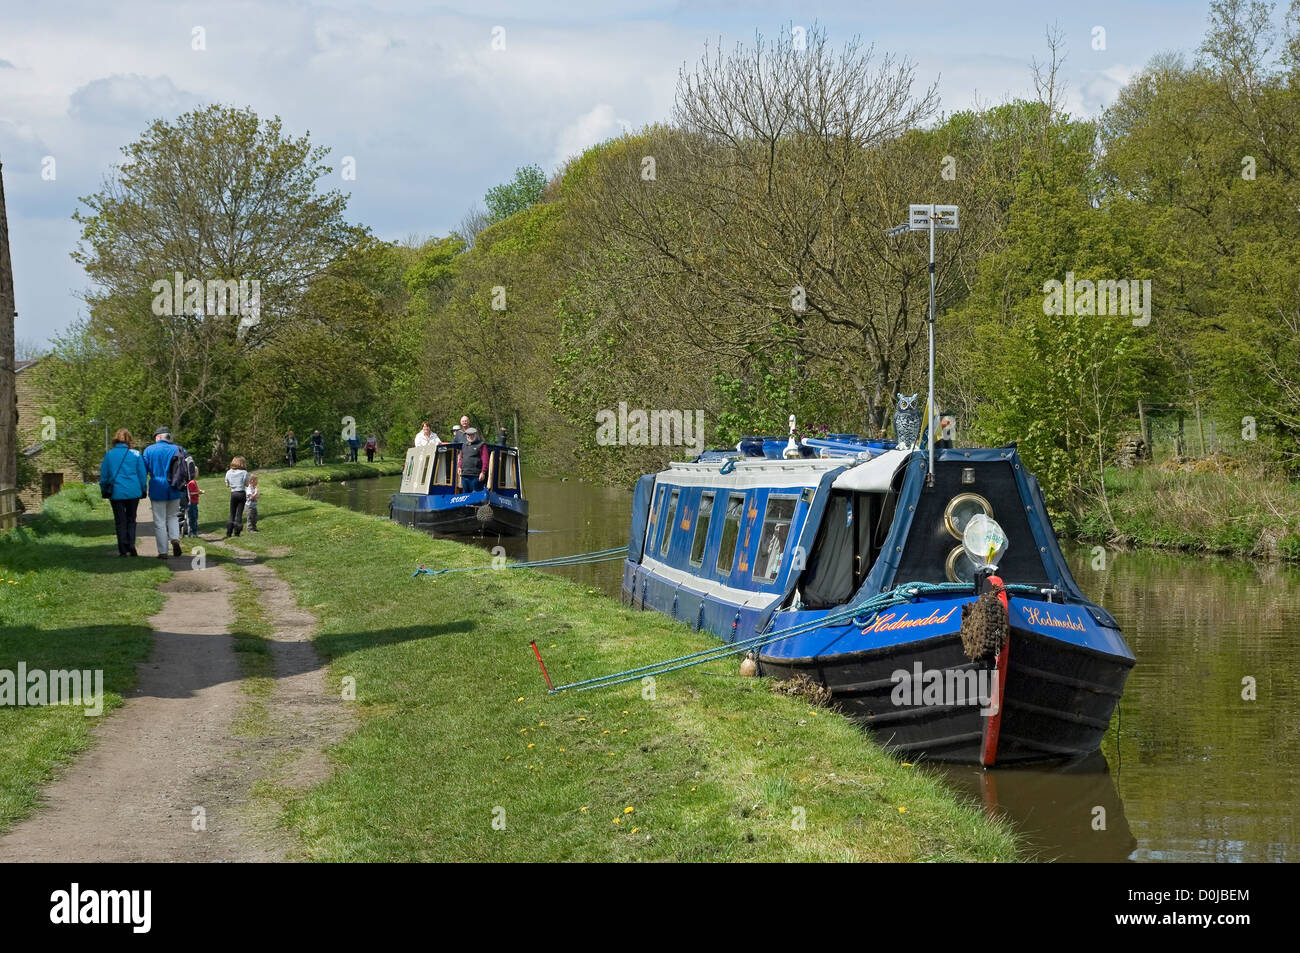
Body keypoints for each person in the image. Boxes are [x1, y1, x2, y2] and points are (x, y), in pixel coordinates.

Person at [98, 428, 148, 557]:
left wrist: (104, 488)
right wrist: (143, 489)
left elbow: (104, 475)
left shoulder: (109, 455)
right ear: (129, 440)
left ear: (115, 440)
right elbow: (142, 474)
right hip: (133, 491)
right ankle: (131, 543)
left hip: (116, 492)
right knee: (131, 519)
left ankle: (122, 548)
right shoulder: (136, 454)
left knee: (120, 520)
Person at [142, 427, 186, 559]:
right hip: (175, 486)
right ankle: (175, 539)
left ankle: (163, 552)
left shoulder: (149, 450)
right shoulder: (178, 449)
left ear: (158, 437)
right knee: (173, 516)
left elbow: (144, 470)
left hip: (157, 487)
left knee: (159, 521)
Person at [225, 456, 250, 538]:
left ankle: (229, 532)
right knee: (239, 514)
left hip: (233, 493)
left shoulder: (228, 472)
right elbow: (247, 484)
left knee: (232, 513)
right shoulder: (244, 473)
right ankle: (237, 532)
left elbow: (227, 485)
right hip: (241, 494)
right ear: (243, 463)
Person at [459, 426, 488, 493]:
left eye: (472, 434)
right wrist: (459, 467)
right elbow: (461, 458)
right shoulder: (464, 445)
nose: (470, 436)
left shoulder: (481, 445)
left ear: (475, 435)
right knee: (465, 495)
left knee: (475, 496)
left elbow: (485, 460)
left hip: (476, 475)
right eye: (468, 434)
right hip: (464, 475)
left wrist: (483, 472)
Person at [185, 467, 204, 538]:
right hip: (191, 502)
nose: (198, 473)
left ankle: (194, 532)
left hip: (194, 502)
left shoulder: (192, 481)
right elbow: (190, 493)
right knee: (193, 517)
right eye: (197, 472)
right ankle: (193, 533)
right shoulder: (191, 482)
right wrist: (199, 492)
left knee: (195, 516)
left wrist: (198, 491)